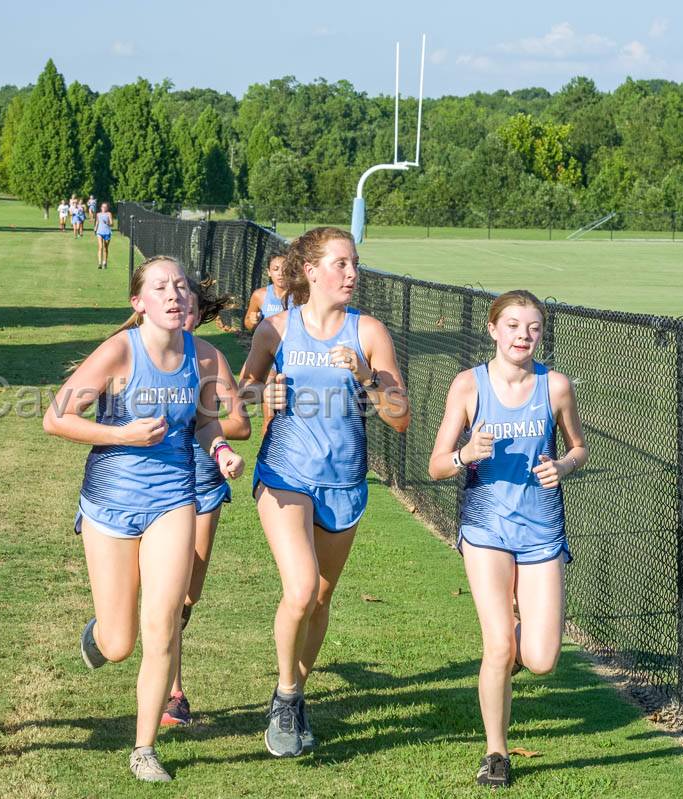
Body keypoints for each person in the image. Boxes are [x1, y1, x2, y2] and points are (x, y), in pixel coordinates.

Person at [42, 255, 245, 783]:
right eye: (161, 288)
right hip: (110, 503)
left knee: (164, 625)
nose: (174, 295)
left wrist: (220, 450)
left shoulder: (202, 358)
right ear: (139, 303)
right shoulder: (118, 353)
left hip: (173, 500)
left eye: (180, 286)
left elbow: (203, 421)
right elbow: (55, 418)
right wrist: (120, 435)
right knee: (120, 641)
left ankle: (144, 747)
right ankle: (101, 635)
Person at [237, 226, 410, 758]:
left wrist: (367, 377)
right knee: (301, 588)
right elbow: (235, 397)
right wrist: (261, 389)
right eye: (340, 264)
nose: (352, 274)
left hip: (344, 481)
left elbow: (401, 419)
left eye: (354, 263)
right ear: (310, 271)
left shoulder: (369, 333)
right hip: (285, 475)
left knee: (321, 597)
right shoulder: (276, 330)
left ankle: (294, 689)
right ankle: (286, 698)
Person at [428, 289, 587, 788]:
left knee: (540, 659)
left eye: (534, 327)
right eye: (514, 325)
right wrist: (465, 453)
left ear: (542, 334)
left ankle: (512, 650)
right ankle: (495, 752)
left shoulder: (555, 386)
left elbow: (580, 448)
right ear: (493, 330)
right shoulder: (467, 386)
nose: (524, 335)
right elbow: (435, 465)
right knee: (497, 645)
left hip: (541, 531)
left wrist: (561, 465)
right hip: (486, 529)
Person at [160, 282, 249, 727]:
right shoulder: (135, 354)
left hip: (204, 478)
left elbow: (240, 423)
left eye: (193, 312)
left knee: (188, 593)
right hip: (154, 482)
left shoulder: (212, 357)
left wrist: (200, 416)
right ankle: (172, 691)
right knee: (169, 594)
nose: (185, 318)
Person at [244, 248, 293, 434]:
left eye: (285, 268)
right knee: (270, 416)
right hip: (269, 359)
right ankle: (268, 450)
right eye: (276, 268)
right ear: (268, 272)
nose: (281, 273)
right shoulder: (261, 295)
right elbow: (247, 322)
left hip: (290, 357)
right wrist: (253, 320)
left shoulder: (301, 295)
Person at [95, 203, 114, 269]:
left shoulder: (109, 214)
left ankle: (105, 262)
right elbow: (97, 221)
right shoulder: (98, 214)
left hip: (107, 232)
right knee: (100, 247)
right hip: (99, 232)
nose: (104, 208)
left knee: (105, 248)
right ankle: (99, 263)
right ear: (101, 207)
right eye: (103, 207)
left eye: (105, 207)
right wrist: (95, 228)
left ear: (107, 208)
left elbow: (112, 224)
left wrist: (108, 223)